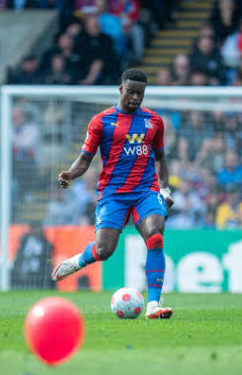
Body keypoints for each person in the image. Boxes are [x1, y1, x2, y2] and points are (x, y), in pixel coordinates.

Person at [51, 68, 174, 319]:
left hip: (145, 191)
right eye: (131, 92)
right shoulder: (101, 121)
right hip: (113, 194)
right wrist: (70, 175)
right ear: (121, 90)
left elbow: (160, 158)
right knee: (105, 250)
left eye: (140, 93)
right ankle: (77, 261)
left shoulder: (154, 121)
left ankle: (153, 304)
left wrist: (164, 189)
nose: (135, 97)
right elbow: (85, 159)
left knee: (155, 235)